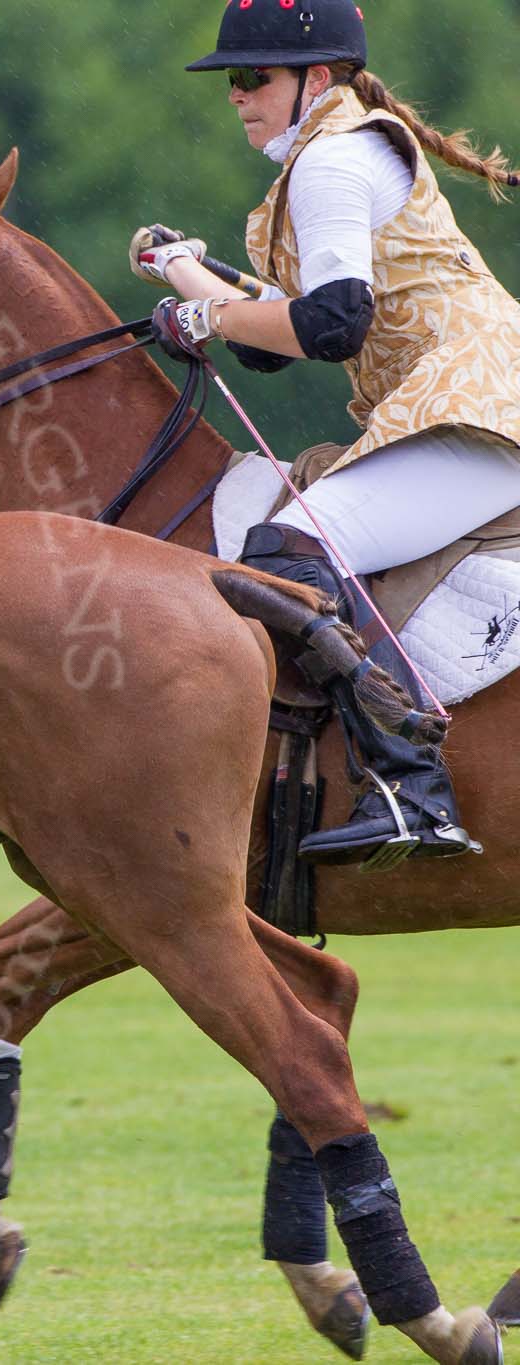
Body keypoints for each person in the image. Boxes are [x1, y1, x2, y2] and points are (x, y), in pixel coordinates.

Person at [134, 0, 520, 866]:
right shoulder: (338, 153)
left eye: (252, 77)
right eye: (233, 81)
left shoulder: (333, 164)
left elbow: (331, 326)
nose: (236, 97)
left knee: (290, 545)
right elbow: (281, 330)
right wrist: (186, 273)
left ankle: (411, 783)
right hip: (473, 409)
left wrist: (200, 312)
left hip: (478, 411)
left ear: (318, 79)